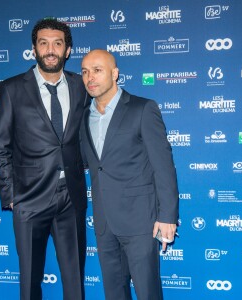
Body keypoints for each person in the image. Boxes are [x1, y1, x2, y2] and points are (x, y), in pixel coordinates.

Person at [0, 19, 89, 300]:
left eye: (57, 43)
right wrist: (11, 195)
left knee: (75, 281)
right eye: (43, 43)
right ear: (34, 48)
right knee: (30, 282)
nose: (50, 49)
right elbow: (1, 146)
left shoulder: (80, 86)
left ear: (67, 50)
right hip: (29, 198)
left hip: (71, 196)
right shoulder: (11, 89)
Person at [80, 49, 179, 300]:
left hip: (140, 222)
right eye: (85, 72)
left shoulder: (142, 108)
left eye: (98, 70)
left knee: (148, 293)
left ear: (115, 74)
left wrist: (167, 216)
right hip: (103, 223)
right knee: (113, 293)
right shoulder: (83, 118)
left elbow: (163, 166)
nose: (90, 77)